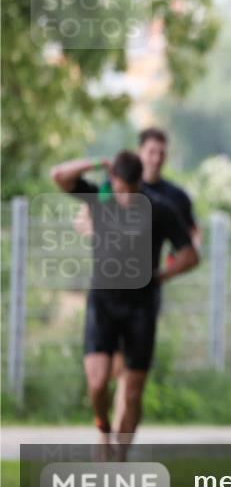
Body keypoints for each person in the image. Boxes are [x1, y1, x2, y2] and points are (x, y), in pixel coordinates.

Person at [51, 151, 199, 459]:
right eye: (121, 188)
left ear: (139, 182)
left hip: (141, 307)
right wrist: (95, 162)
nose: (127, 196)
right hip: (102, 304)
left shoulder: (159, 209)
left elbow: (189, 254)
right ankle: (103, 428)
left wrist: (163, 275)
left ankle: (119, 455)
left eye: (133, 189)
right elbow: (59, 176)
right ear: (113, 180)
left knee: (132, 393)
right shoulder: (99, 199)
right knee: (97, 382)